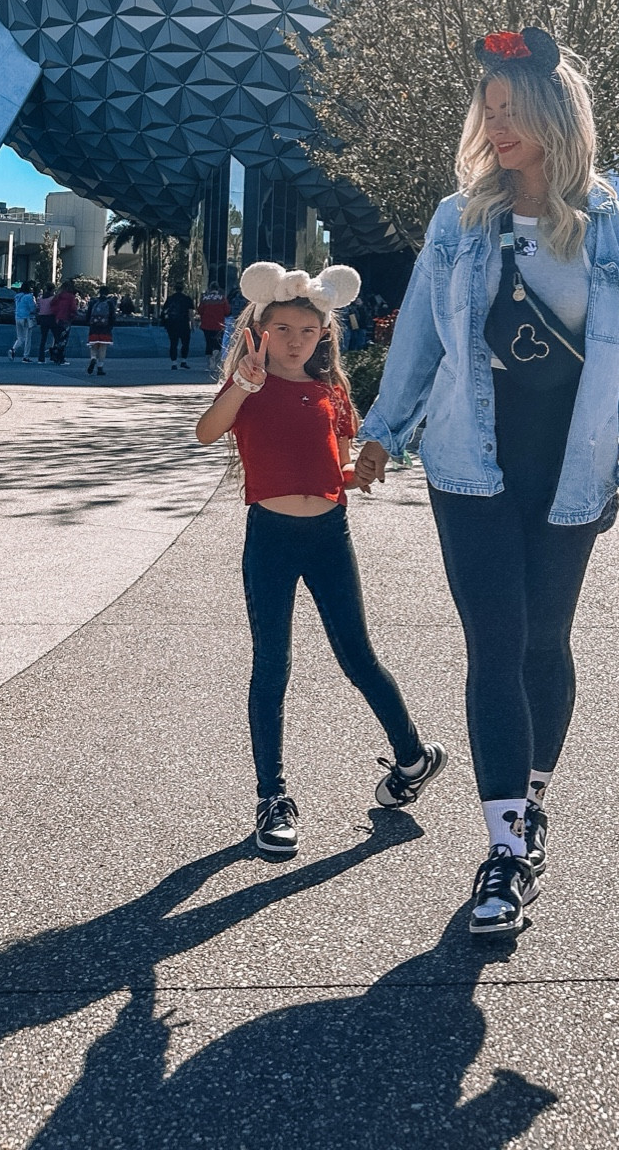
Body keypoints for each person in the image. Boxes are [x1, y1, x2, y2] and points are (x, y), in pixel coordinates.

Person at [353, 26, 619, 941]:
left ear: (553, 115)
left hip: (570, 465)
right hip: (469, 466)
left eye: (512, 111)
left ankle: (529, 803)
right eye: (488, 111)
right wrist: (383, 433)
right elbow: (417, 335)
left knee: (546, 639)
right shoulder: (458, 221)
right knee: (494, 643)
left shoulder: (616, 232)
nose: (496, 128)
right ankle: (504, 847)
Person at [195, 260, 446, 860]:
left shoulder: (332, 394)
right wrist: (241, 386)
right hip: (270, 538)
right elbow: (206, 433)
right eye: (281, 329)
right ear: (258, 329)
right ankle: (272, 798)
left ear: (323, 336)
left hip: (330, 534)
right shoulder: (248, 391)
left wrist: (363, 472)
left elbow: (337, 468)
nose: (293, 341)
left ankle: (413, 756)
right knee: (272, 665)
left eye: (306, 332)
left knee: (357, 655)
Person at [84, 285, 118, 378]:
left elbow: (88, 315)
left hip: (94, 327)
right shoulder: (110, 303)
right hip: (105, 328)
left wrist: (89, 323)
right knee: (103, 348)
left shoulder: (93, 302)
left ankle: (93, 358)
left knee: (93, 346)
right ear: (107, 293)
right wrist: (111, 325)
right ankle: (100, 367)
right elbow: (112, 316)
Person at [162, 286, 193, 370]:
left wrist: (165, 323)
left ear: (175, 289)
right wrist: (192, 324)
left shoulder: (170, 299)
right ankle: (183, 361)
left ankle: (174, 363)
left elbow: (164, 311)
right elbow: (190, 312)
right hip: (184, 323)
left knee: (173, 343)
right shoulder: (187, 299)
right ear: (183, 289)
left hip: (172, 323)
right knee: (185, 343)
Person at [198, 286, 230, 367]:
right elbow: (227, 311)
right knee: (217, 344)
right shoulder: (222, 299)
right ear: (217, 290)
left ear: (209, 289)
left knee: (208, 343)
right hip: (219, 325)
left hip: (206, 325)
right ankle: (215, 359)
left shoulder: (205, 299)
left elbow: (200, 310)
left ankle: (209, 362)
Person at [50, 279, 80, 364]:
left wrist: (56, 313)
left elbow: (52, 305)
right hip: (66, 319)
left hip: (58, 319)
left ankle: (54, 354)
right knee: (64, 339)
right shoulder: (71, 297)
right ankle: (61, 357)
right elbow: (73, 308)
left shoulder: (58, 296)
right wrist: (74, 315)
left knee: (58, 338)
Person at [9, 281, 38, 363]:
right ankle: (25, 356)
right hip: (26, 318)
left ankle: (13, 349)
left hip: (17, 317)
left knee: (20, 337)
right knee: (28, 338)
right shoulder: (29, 297)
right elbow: (32, 308)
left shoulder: (17, 296)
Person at [34, 286, 57, 363]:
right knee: (56, 337)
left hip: (42, 318)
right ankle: (54, 355)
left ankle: (41, 358)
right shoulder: (53, 298)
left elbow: (38, 307)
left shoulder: (41, 298)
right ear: (52, 290)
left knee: (43, 339)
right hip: (51, 318)